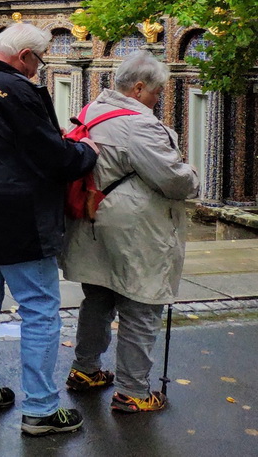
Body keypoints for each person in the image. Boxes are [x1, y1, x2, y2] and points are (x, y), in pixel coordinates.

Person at [0, 22, 99, 437]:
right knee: (39, 310)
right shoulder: (16, 91)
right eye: (39, 59)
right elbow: (51, 158)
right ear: (25, 56)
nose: (39, 67)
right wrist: (85, 151)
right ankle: (43, 409)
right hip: (19, 215)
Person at [61, 51, 198, 413]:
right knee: (141, 304)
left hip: (94, 220)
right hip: (134, 229)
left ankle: (85, 370)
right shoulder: (138, 125)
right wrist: (192, 173)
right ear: (138, 88)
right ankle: (133, 391)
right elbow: (173, 180)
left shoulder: (94, 109)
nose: (159, 99)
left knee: (99, 298)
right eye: (156, 92)